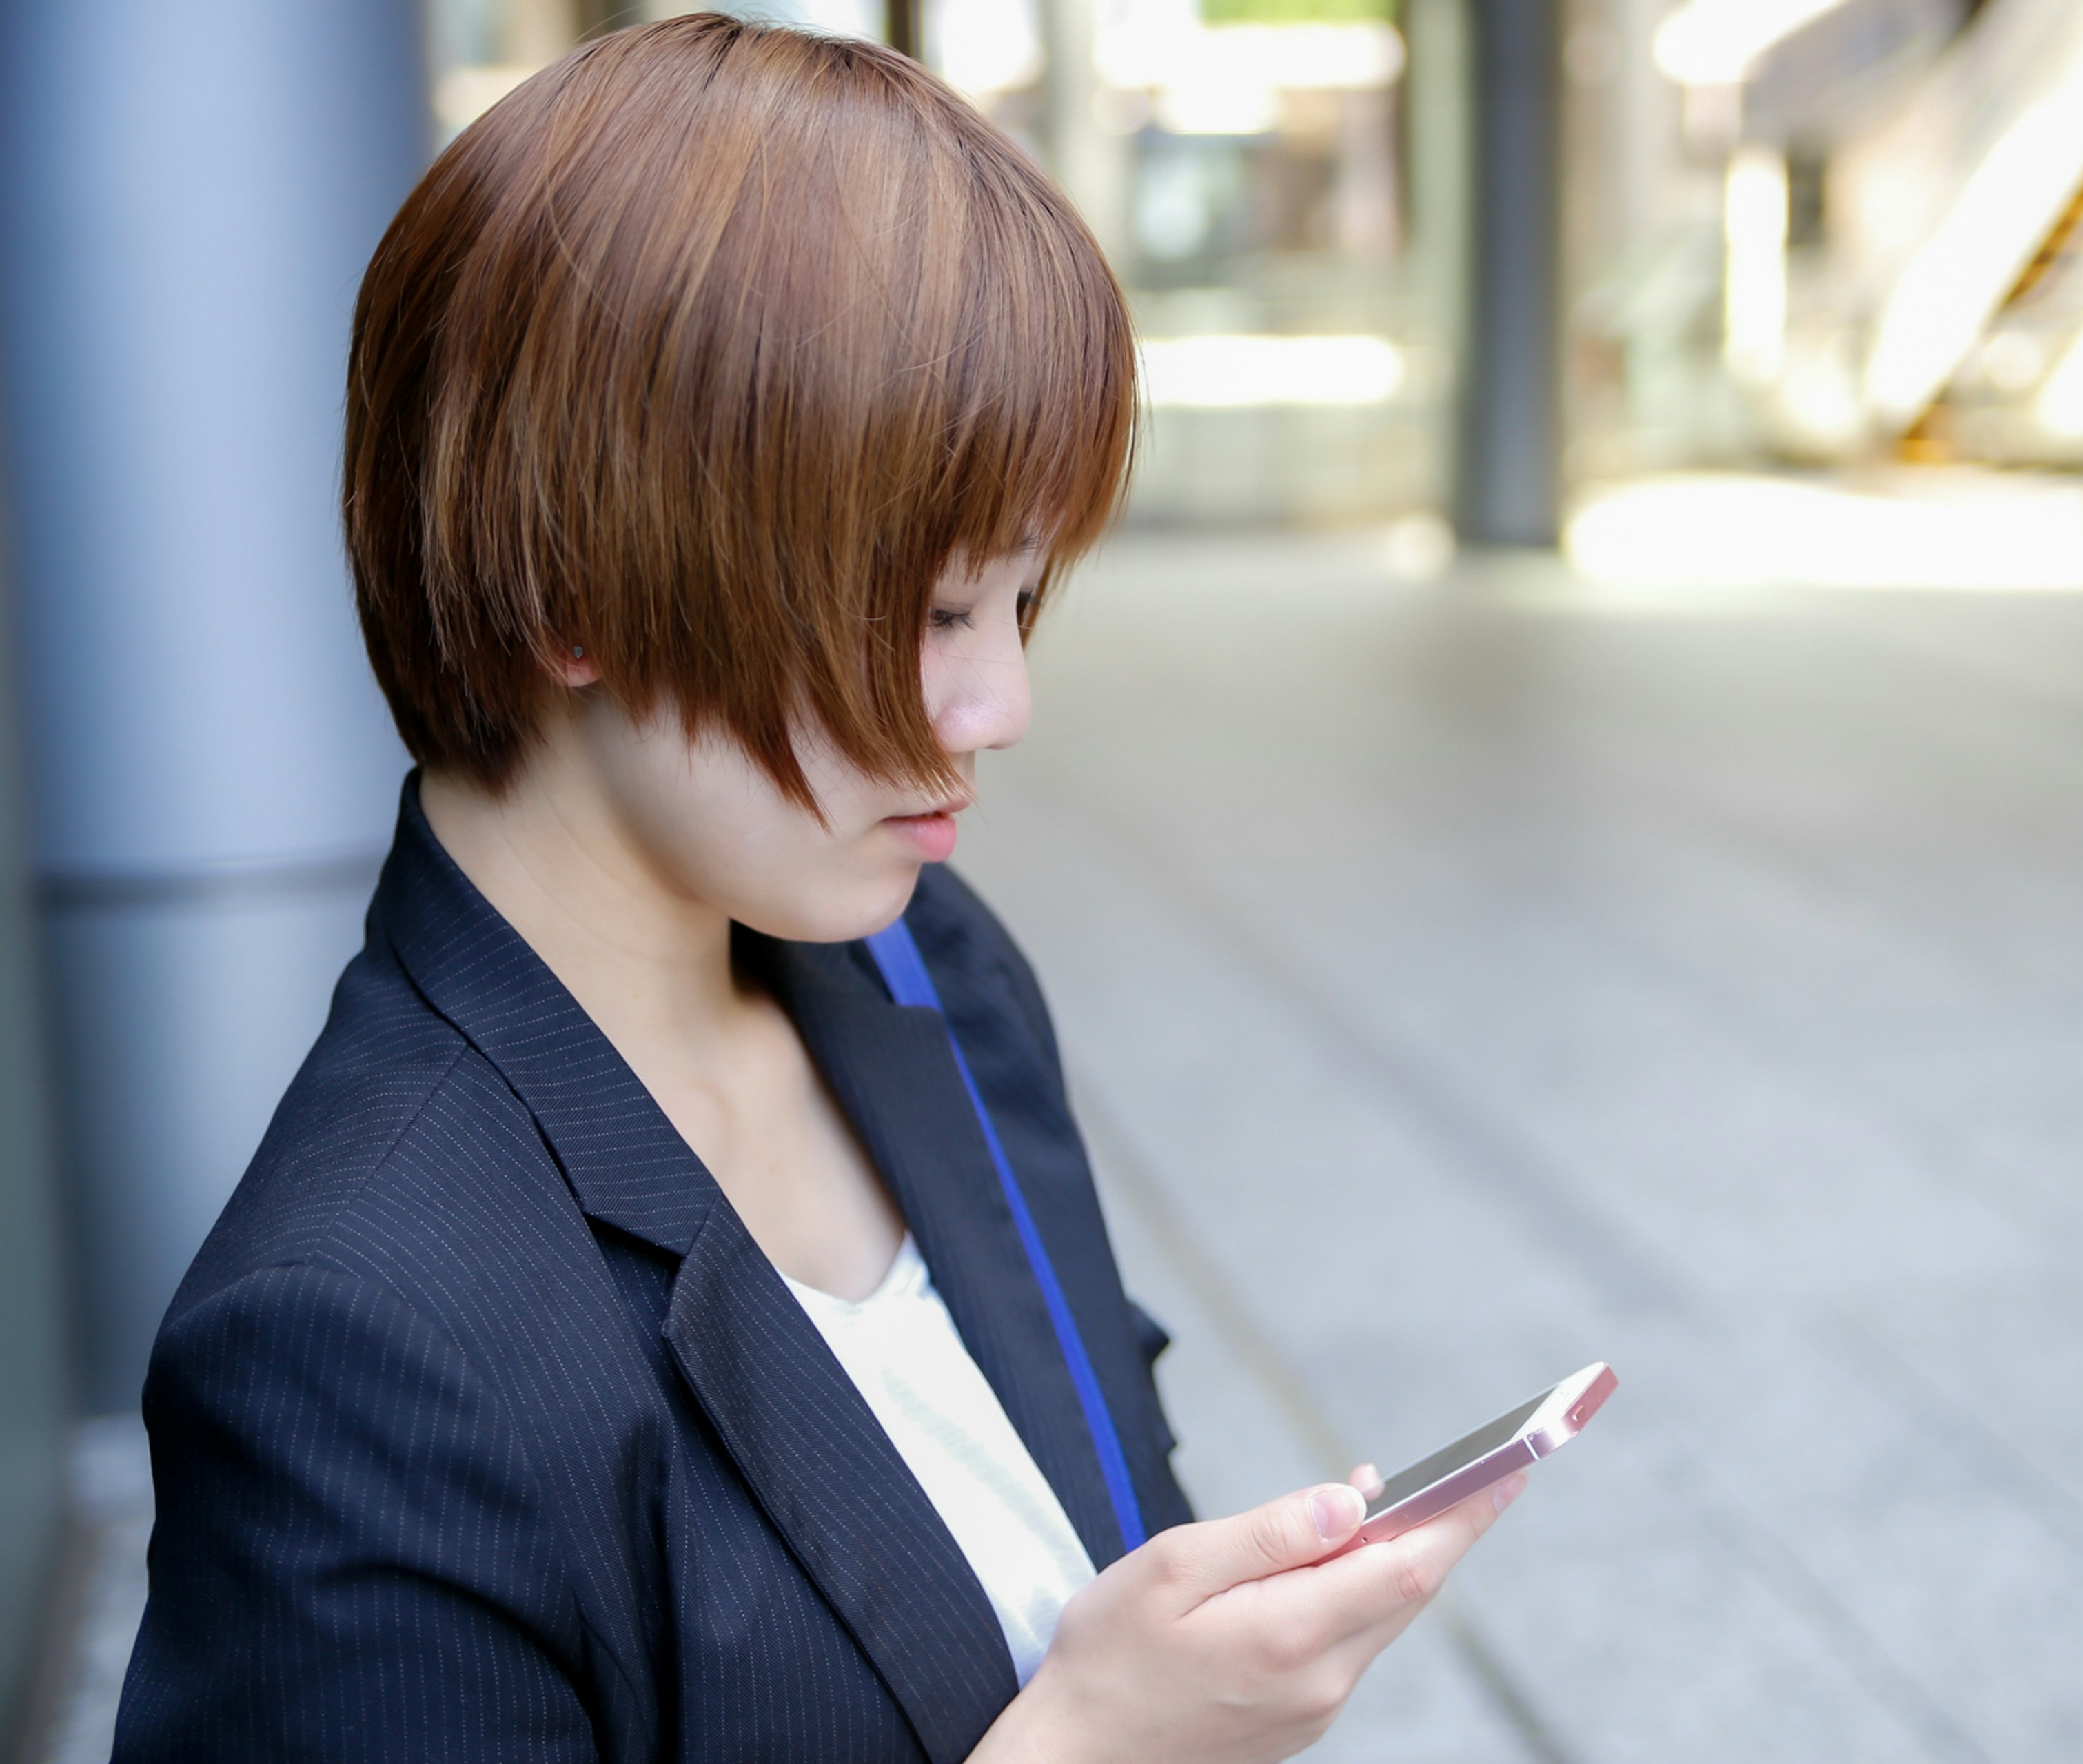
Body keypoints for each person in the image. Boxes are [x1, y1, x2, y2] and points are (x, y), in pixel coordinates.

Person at [112, 17, 1518, 1762]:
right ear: (578, 583)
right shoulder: (354, 1340)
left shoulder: (922, 969)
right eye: (929, 612)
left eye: (1019, 601)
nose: (1002, 705)